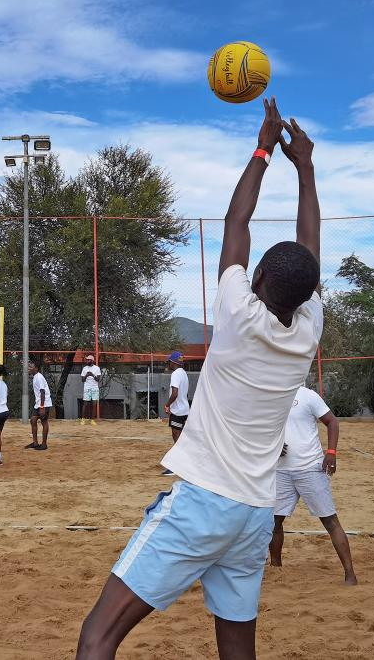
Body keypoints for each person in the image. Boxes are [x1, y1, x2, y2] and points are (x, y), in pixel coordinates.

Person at [77, 98, 322, 660]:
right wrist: (304, 169)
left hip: (205, 502)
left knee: (98, 636)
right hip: (255, 511)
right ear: (307, 295)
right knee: (237, 646)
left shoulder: (238, 314)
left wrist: (263, 149)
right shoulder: (308, 328)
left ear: (255, 277)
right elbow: (305, 253)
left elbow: (237, 222)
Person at [269, 386, 357, 586]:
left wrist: (332, 452)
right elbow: (258, 429)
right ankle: (275, 567)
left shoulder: (307, 396)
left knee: (330, 520)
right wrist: (272, 444)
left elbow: (332, 421)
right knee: (273, 521)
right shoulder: (269, 395)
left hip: (310, 468)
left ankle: (350, 573)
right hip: (280, 471)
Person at [160, 351, 190, 476]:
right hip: (185, 410)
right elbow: (185, 394)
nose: (169, 364)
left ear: (173, 362)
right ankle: (185, 463)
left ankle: (176, 467)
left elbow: (175, 393)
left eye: (169, 361)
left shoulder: (176, 374)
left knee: (176, 438)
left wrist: (167, 405)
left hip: (177, 412)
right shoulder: (184, 374)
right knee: (181, 438)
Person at [27, 359, 51, 451]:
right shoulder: (35, 377)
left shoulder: (39, 377)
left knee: (44, 422)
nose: (29, 368)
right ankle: (35, 443)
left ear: (36, 368)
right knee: (33, 420)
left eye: (31, 367)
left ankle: (44, 444)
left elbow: (42, 392)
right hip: (39, 403)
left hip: (44, 403)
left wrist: (42, 407)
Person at [80, 354, 102, 425]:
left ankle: (92, 420)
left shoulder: (97, 368)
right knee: (85, 404)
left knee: (94, 404)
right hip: (87, 387)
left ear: (92, 361)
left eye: (88, 360)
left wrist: (92, 374)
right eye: (87, 360)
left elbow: (98, 379)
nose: (87, 361)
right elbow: (82, 380)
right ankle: (83, 419)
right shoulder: (84, 368)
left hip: (94, 388)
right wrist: (86, 375)